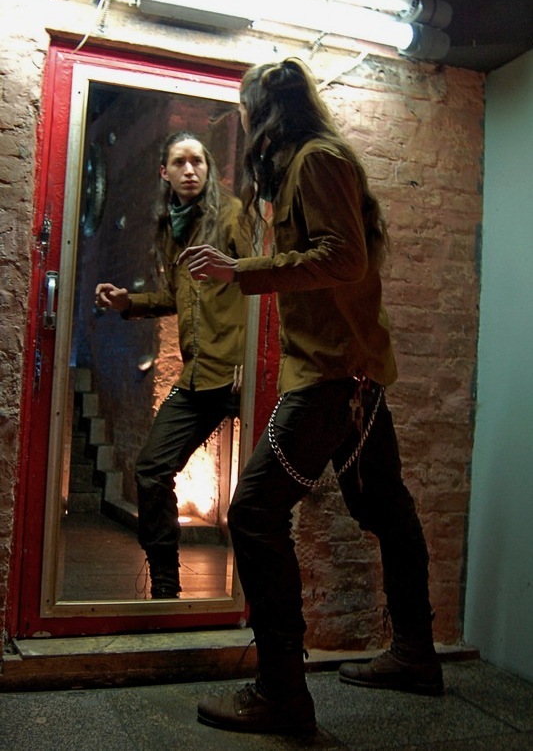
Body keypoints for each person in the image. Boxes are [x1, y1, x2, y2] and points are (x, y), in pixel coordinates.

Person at [178, 58, 443, 734]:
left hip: (333, 378)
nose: (244, 123)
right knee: (385, 509)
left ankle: (281, 694)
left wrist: (241, 270)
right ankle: (416, 655)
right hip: (349, 373)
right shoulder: (306, 162)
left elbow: (343, 257)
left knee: (253, 512)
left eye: (246, 110)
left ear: (264, 112)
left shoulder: (316, 161)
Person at [94, 131, 250, 599]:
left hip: (238, 372)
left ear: (209, 168)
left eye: (197, 161)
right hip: (199, 375)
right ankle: (165, 581)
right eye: (179, 162)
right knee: (150, 469)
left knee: (258, 500)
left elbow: (264, 280)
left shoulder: (232, 216)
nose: (190, 170)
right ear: (164, 172)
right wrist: (129, 302)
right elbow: (178, 297)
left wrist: (253, 359)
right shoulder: (172, 229)